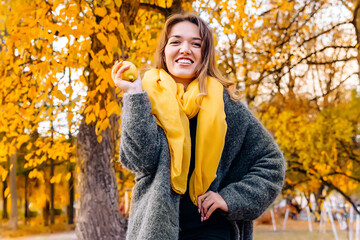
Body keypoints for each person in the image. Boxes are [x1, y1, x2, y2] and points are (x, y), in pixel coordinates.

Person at [112, 12, 285, 240]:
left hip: (213, 231)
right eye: (176, 42)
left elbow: (271, 164)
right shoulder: (145, 99)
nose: (185, 49)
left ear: (205, 54)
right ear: (164, 51)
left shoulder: (228, 107)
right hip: (156, 231)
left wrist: (230, 198)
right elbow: (138, 161)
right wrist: (134, 95)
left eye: (196, 44)